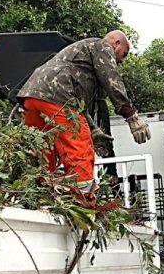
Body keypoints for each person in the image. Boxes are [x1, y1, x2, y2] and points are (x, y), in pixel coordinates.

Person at [17, 31, 150, 189]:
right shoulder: (102, 46)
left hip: (32, 99)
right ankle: (84, 203)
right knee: (80, 150)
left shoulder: (82, 56)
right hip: (57, 98)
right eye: (124, 54)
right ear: (116, 44)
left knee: (44, 155)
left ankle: (42, 198)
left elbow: (78, 104)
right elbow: (112, 80)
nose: (121, 61)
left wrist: (93, 129)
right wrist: (131, 117)